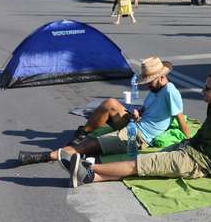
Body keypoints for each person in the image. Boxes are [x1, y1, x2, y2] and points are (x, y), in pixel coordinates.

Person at [67, 71, 211, 188]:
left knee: (139, 164)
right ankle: (90, 177)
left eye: (206, 89)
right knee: (147, 165)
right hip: (190, 148)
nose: (202, 91)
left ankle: (86, 169)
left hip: (198, 162)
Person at [17, 57, 189, 166]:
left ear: (161, 77)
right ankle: (83, 132)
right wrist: (137, 113)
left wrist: (190, 142)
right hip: (136, 123)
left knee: (91, 145)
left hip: (140, 136)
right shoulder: (155, 90)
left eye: (149, 81)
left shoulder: (170, 92)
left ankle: (45, 157)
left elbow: (180, 119)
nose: (147, 85)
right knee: (110, 103)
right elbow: (146, 108)